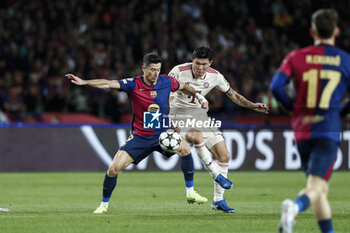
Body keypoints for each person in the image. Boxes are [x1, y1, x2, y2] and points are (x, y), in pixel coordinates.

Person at [66, 53, 221, 214]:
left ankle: (190, 192)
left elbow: (184, 87)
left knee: (186, 150)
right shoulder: (133, 84)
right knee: (113, 169)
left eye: (158, 70)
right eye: (152, 70)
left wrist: (198, 97)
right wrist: (84, 82)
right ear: (143, 68)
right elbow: (107, 84)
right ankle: (103, 205)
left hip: (164, 134)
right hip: (141, 137)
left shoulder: (166, 81)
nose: (155, 74)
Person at [270, 9, 350, 233]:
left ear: (312, 31)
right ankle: (294, 208)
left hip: (302, 130)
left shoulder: (296, 56)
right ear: (336, 31)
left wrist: (290, 107)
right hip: (328, 129)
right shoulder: (345, 60)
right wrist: (341, 112)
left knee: (318, 187)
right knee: (316, 187)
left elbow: (276, 87)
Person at [168, 46, 269, 213]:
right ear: (192, 60)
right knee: (196, 136)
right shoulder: (178, 71)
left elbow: (233, 95)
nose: (200, 68)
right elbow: (166, 90)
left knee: (224, 155)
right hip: (178, 115)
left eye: (204, 64)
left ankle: (218, 201)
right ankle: (216, 175)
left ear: (210, 63)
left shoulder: (215, 76)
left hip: (200, 116)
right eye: (197, 63)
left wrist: (252, 106)